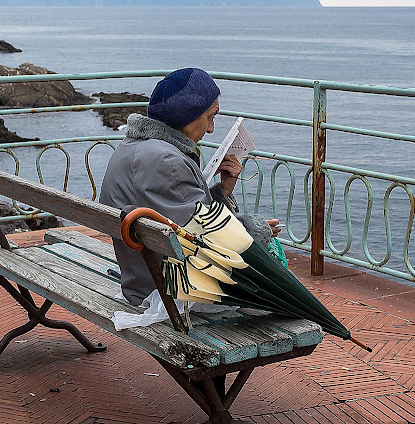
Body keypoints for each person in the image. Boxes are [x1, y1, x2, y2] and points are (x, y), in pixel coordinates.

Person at [100, 68, 281, 305]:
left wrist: (222, 192)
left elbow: (181, 215)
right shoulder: (166, 160)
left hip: (142, 278)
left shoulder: (133, 146)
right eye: (210, 117)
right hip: (169, 293)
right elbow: (208, 240)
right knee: (277, 283)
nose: (211, 129)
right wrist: (255, 228)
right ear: (189, 115)